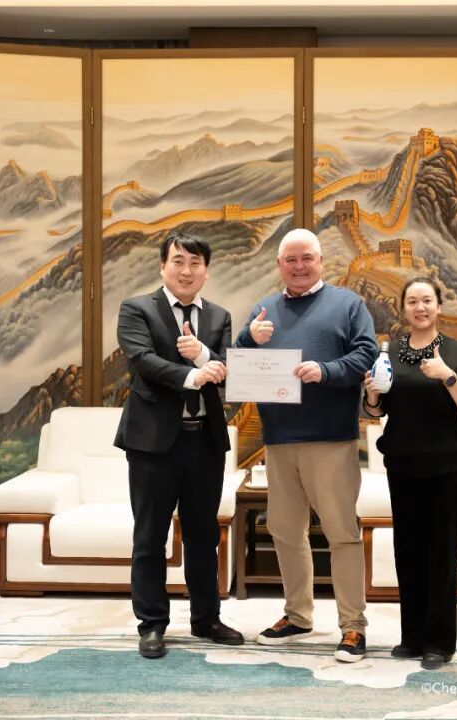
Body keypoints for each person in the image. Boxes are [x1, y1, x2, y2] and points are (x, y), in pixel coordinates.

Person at [235, 227, 378, 662]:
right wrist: (248, 339)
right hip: (279, 440)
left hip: (331, 439)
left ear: (320, 261)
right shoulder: (264, 309)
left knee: (341, 533)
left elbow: (366, 354)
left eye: (307, 258)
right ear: (280, 264)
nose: (299, 266)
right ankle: (298, 615)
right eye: (291, 259)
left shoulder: (348, 304)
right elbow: (240, 363)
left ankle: (353, 627)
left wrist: (326, 371)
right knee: (284, 531)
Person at [113, 231, 244, 659]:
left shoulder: (219, 316)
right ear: (162, 266)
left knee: (204, 537)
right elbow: (142, 360)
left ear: (206, 270)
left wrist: (204, 356)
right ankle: (152, 624)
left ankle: (206, 619)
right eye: (178, 262)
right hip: (153, 443)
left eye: (195, 263)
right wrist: (191, 375)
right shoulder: (137, 309)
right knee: (150, 536)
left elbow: (228, 367)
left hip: (204, 441)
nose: (186, 271)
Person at [362, 276, 457, 670]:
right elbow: (377, 411)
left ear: (438, 306)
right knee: (408, 551)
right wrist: (372, 394)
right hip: (402, 462)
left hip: (447, 464)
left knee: (442, 553)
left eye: (427, 300)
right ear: (403, 308)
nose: (420, 307)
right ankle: (412, 637)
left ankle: (440, 642)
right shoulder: (390, 353)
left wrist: (447, 375)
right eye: (412, 301)